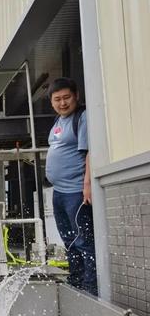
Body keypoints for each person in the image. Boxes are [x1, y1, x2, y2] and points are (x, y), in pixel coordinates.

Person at [45, 77, 97, 296]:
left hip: (76, 191)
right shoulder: (58, 121)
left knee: (83, 240)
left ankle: (91, 287)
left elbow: (89, 153)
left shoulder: (82, 118)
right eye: (57, 99)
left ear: (76, 95)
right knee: (69, 240)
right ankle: (75, 282)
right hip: (59, 192)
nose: (62, 103)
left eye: (66, 97)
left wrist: (87, 184)